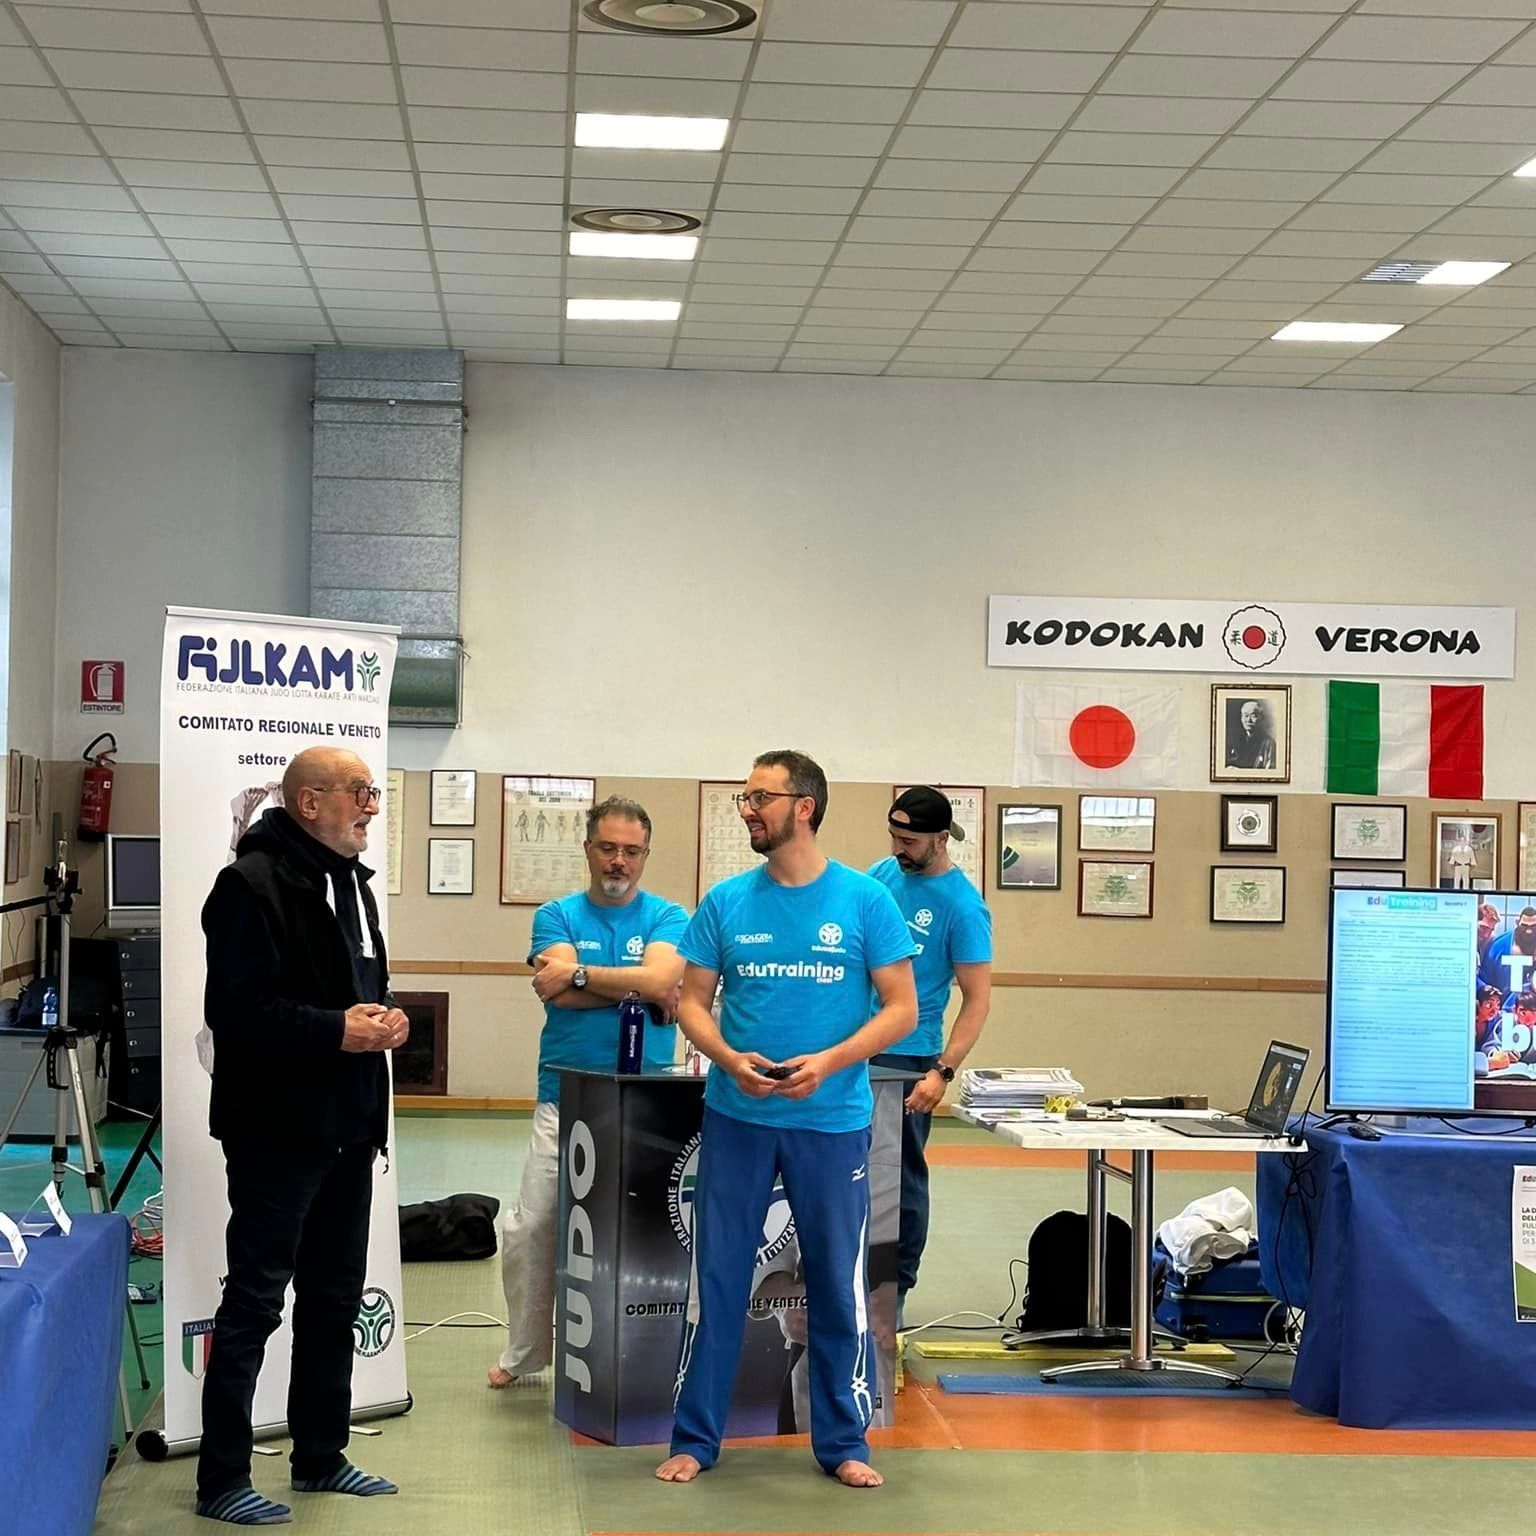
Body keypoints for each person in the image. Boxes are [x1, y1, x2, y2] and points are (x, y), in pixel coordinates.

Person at [656, 750, 917, 1490]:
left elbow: (902, 1009)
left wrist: (829, 1062)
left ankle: (842, 1442)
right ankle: (696, 1438)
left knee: (835, 1281)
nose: (747, 809)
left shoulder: (866, 901)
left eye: (760, 797)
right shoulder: (726, 902)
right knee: (719, 1279)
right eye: (745, 797)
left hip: (832, 1123)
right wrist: (726, 1058)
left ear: (804, 806)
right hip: (737, 1117)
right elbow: (691, 1002)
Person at [196, 747, 408, 1526]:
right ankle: (221, 1479)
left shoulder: (352, 883)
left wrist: (384, 1020)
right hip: (277, 1133)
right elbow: (235, 1012)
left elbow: (355, 988)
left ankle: (320, 1456)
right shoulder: (248, 885)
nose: (373, 806)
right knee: (255, 1301)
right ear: (310, 803)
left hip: (349, 1126)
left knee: (333, 1298)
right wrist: (335, 1031)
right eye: (361, 793)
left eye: (373, 793)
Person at [488, 796, 687, 1389]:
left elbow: (659, 980)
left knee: (643, 1228)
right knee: (532, 1227)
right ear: (588, 850)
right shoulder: (557, 915)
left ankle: (639, 1351)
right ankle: (526, 1352)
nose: (619, 861)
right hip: (566, 1094)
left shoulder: (667, 916)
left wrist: (581, 975)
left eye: (631, 851)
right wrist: (639, 988)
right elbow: (560, 994)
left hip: (648, 1097)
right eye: (608, 848)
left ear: (645, 855)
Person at [868, 787, 992, 1326]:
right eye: (894, 836)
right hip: (852, 1049)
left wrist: (942, 1071)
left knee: (898, 1183)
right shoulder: (882, 875)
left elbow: (977, 1001)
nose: (898, 849)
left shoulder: (963, 907)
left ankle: (891, 1302)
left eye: (909, 841)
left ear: (941, 839)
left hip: (907, 1060)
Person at [1480, 906, 1536, 997]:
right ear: (1517, 923)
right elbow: (1485, 983)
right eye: (1524, 926)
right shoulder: (1498, 946)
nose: (1529, 931)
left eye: (1534, 926)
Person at [1226, 700, 1276, 770]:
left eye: (1253, 716)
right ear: (1241, 718)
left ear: (1261, 718)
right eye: (1246, 716)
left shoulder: (1269, 743)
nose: (1248, 720)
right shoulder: (1234, 740)